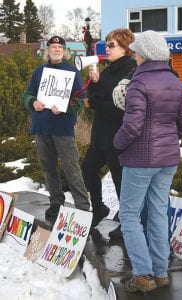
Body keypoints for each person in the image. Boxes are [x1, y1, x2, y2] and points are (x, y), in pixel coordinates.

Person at [113, 30, 182, 293]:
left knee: (129, 215)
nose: (134, 55)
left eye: (137, 51)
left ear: (144, 54)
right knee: (159, 213)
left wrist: (117, 144)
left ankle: (143, 274)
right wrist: (168, 138)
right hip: (167, 159)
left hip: (140, 159)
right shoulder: (175, 82)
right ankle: (160, 272)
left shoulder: (138, 83)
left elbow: (132, 126)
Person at [23, 35, 90, 221]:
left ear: (65, 51)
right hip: (41, 126)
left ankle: (83, 207)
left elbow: (80, 101)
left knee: (71, 167)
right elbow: (27, 94)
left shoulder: (72, 72)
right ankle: (56, 201)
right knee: (48, 166)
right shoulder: (39, 72)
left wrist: (63, 107)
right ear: (47, 51)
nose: (57, 49)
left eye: (60, 46)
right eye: (53, 47)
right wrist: (32, 101)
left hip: (62, 128)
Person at [81, 28, 136, 230]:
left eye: (111, 45)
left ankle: (126, 220)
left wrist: (95, 103)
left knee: (119, 179)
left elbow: (121, 107)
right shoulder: (109, 68)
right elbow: (96, 95)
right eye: (106, 44)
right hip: (100, 134)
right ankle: (99, 207)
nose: (108, 49)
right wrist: (94, 82)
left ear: (125, 47)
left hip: (117, 135)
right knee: (88, 169)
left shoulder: (131, 70)